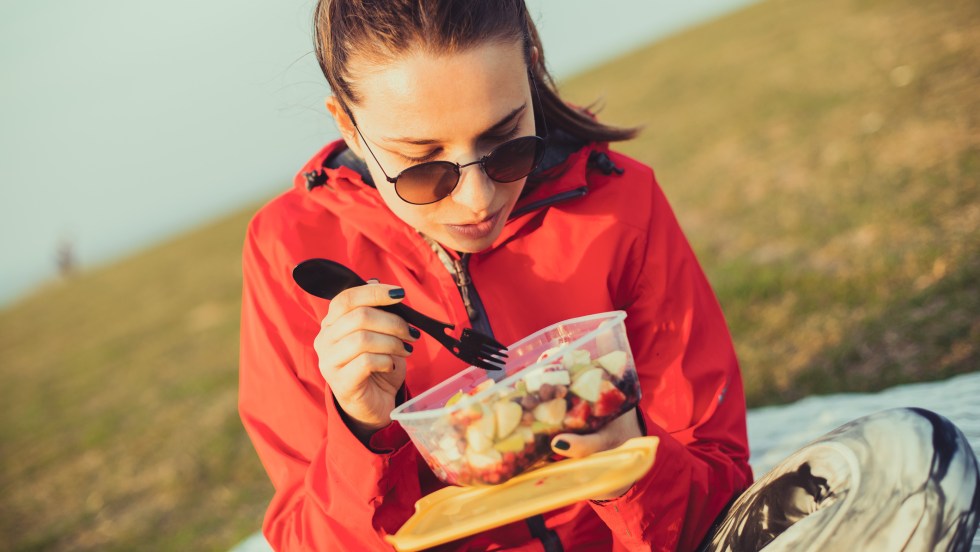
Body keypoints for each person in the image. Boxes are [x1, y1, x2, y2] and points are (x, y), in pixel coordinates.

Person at [238, 1, 980, 550]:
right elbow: (308, 539)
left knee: (919, 460)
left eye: (505, 145)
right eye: (424, 167)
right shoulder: (292, 252)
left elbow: (718, 479)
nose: (478, 199)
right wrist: (361, 430)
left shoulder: (621, 203)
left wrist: (627, 462)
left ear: (531, 70)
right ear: (349, 128)